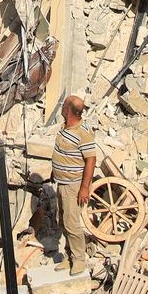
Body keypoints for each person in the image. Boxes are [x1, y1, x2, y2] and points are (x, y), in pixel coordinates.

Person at [51, 94, 97, 274]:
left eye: (64, 105)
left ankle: (79, 260)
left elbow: (91, 160)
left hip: (73, 185)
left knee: (72, 223)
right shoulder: (65, 127)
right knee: (62, 220)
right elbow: (61, 151)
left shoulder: (83, 132)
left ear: (68, 110)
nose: (62, 107)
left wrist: (85, 188)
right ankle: (69, 255)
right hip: (61, 182)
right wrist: (54, 170)